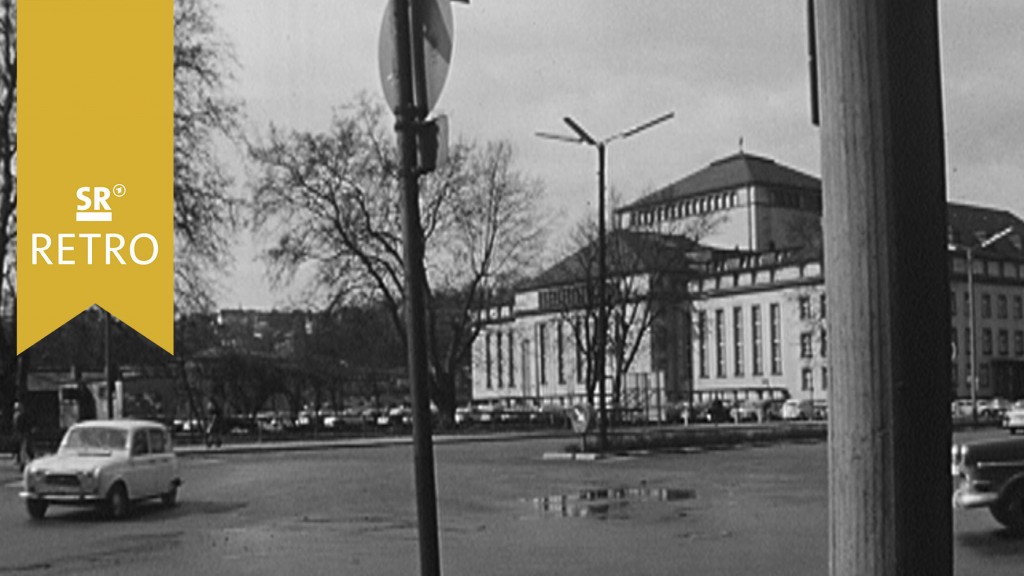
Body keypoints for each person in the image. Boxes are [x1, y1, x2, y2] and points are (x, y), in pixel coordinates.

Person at [12, 401, 34, 470]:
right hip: (23, 434)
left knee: (23, 448)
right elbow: (23, 425)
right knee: (24, 448)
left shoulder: (15, 415)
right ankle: (24, 462)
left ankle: (23, 461)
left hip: (19, 434)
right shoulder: (21, 415)